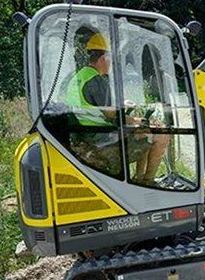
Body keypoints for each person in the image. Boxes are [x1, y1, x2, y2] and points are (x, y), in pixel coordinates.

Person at [65, 32, 169, 185]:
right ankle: (148, 181)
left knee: (143, 132)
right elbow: (112, 114)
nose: (111, 65)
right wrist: (142, 121)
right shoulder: (96, 80)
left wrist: (123, 106)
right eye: (111, 60)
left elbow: (94, 104)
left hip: (87, 134)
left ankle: (139, 179)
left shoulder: (80, 76)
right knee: (162, 135)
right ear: (103, 59)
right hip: (102, 139)